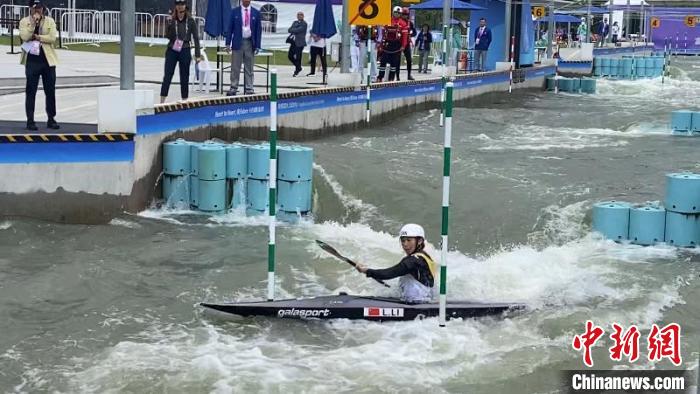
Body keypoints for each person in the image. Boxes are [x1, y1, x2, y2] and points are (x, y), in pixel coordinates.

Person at [355, 224, 437, 303]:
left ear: (419, 241)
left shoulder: (413, 261)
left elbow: (388, 273)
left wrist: (366, 271)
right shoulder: (424, 256)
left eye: (409, 240)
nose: (405, 244)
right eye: (403, 240)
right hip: (424, 301)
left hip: (416, 304)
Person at [19, 0, 59, 131]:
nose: (38, 11)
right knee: (31, 91)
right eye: (35, 8)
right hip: (32, 60)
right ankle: (30, 120)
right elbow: (25, 36)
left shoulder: (50, 21)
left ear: (44, 8)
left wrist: (38, 37)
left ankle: (51, 118)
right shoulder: (25, 21)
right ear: (30, 8)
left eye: (40, 8)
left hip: (47, 60)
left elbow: (52, 37)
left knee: (50, 90)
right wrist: (34, 25)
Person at [160, 0, 201, 104]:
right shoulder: (172, 19)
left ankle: (184, 100)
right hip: (172, 48)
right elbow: (168, 36)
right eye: (178, 4)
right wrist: (168, 25)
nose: (180, 7)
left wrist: (197, 55)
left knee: (184, 76)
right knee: (168, 75)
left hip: (185, 48)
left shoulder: (190, 20)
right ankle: (162, 101)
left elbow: (196, 38)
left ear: (185, 6)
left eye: (182, 4)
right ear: (175, 6)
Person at [225, 0, 262, 96]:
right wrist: (228, 43)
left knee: (249, 67)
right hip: (238, 42)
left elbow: (258, 30)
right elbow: (230, 28)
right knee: (235, 67)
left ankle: (249, 88)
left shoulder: (256, 13)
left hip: (250, 42)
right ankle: (233, 87)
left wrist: (258, 45)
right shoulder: (235, 11)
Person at [376, 7, 404, 83]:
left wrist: (403, 46)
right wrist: (380, 45)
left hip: (396, 45)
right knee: (383, 61)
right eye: (395, 12)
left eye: (398, 13)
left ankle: (391, 78)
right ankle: (380, 77)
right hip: (387, 44)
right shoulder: (387, 21)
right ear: (393, 12)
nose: (396, 14)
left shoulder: (403, 23)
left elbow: (404, 36)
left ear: (400, 14)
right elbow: (382, 33)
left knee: (394, 63)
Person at [287, 11, 307, 77]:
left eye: (301, 15)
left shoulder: (304, 23)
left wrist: (294, 29)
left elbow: (298, 30)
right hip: (293, 42)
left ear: (303, 16)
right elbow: (289, 29)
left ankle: (296, 71)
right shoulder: (295, 22)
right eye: (298, 15)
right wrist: (294, 29)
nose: (299, 16)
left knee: (298, 57)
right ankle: (298, 67)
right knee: (290, 56)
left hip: (300, 43)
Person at [399, 7, 416, 80]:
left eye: (406, 14)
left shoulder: (410, 23)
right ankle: (397, 76)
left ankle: (409, 75)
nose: (404, 16)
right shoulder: (398, 22)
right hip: (399, 43)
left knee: (409, 60)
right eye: (403, 14)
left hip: (407, 43)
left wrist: (410, 35)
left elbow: (414, 32)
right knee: (397, 60)